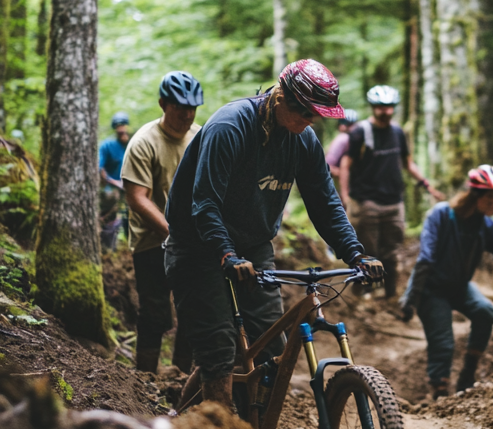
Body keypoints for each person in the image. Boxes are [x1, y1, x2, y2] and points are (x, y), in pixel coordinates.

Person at [164, 59, 383, 410]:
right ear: (282, 97)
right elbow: (204, 203)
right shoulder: (230, 126)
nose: (310, 121)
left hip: (253, 246)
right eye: (306, 113)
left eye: (317, 115)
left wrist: (356, 253)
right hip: (198, 246)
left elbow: (325, 203)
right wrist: (227, 254)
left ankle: (241, 428)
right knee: (220, 349)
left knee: (271, 349)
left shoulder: (303, 141)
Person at [400, 165, 493, 398]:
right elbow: (425, 260)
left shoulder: (485, 224)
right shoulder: (441, 215)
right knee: (444, 343)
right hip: (432, 289)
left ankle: (468, 372)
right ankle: (440, 393)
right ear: (475, 195)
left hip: (460, 286)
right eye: (490, 197)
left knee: (485, 310)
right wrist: (410, 300)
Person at [121, 71, 204, 376]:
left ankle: (179, 379)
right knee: (154, 313)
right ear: (163, 104)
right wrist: (174, 233)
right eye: (180, 107)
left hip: (192, 243)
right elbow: (137, 198)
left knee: (192, 312)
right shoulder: (144, 142)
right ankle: (145, 380)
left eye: (192, 107)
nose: (187, 114)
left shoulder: (200, 137)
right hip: (152, 243)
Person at [339, 85, 443, 299]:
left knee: (392, 253)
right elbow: (345, 165)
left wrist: (426, 184)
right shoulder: (360, 132)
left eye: (389, 107)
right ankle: (360, 295)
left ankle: (390, 296)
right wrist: (345, 196)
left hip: (394, 203)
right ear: (373, 107)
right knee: (367, 252)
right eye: (380, 107)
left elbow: (408, 163)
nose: (385, 111)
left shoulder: (398, 132)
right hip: (366, 202)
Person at [99, 112, 130, 251]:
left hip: (129, 189)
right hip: (111, 189)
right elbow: (100, 169)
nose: (121, 128)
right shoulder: (107, 145)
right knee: (110, 212)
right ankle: (107, 248)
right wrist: (115, 183)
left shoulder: (131, 144)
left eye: (123, 125)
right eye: (118, 125)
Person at [325, 108, 359, 196]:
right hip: (343, 189)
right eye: (343, 123)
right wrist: (345, 174)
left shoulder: (353, 139)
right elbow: (327, 166)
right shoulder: (342, 139)